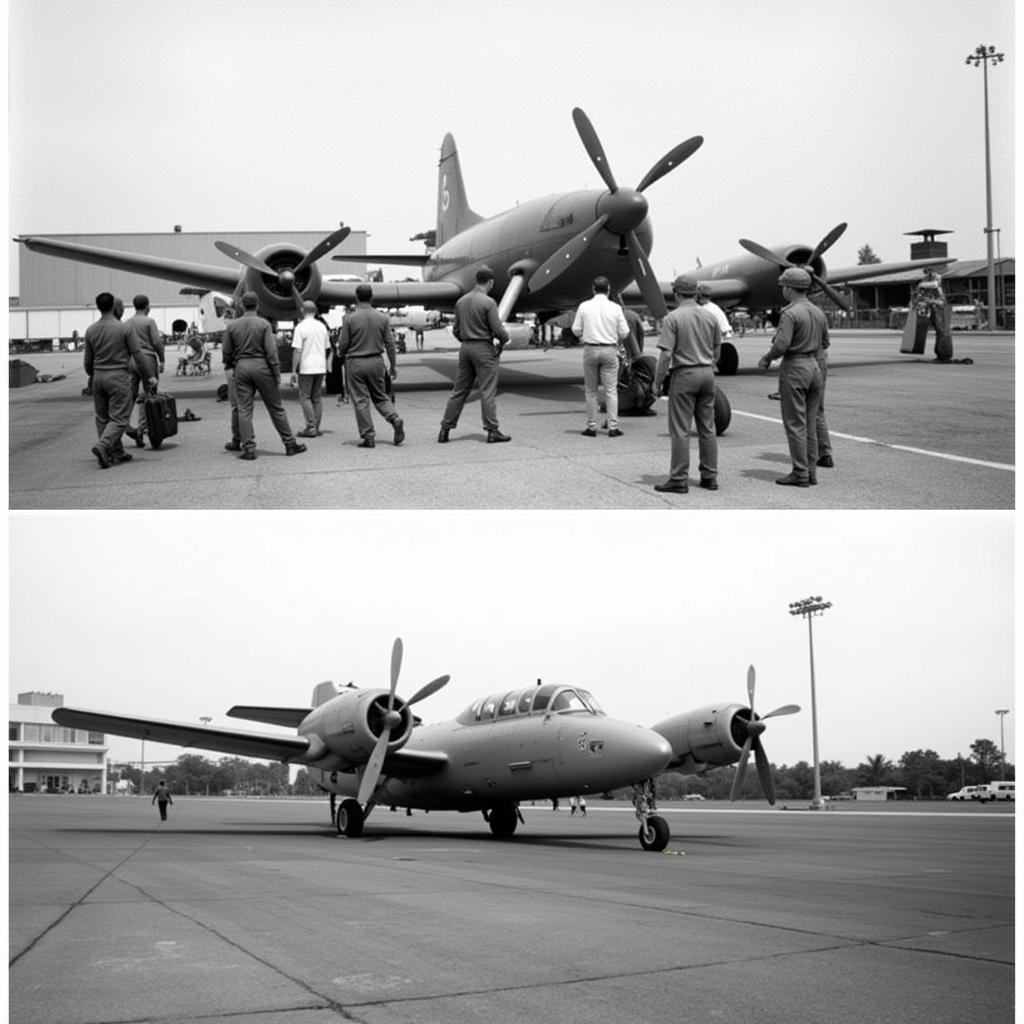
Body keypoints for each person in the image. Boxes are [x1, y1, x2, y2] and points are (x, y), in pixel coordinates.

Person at [651, 276, 722, 494]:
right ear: (696, 293)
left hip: (685, 374)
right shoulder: (710, 317)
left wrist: (658, 382)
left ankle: (679, 478)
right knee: (707, 427)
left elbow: (665, 355)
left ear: (676, 293)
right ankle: (710, 476)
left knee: (681, 429)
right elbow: (717, 351)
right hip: (707, 373)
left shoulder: (673, 318)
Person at [758, 267, 826, 486]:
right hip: (815, 367)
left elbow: (781, 344)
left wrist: (767, 358)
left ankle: (800, 473)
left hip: (796, 368)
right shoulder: (818, 312)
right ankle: (811, 471)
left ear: (789, 288)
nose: (783, 290)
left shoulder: (790, 313)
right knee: (811, 423)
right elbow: (825, 342)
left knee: (795, 424)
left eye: (783, 286)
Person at [221, 291, 306, 460]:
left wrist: (230, 366)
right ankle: (289, 443)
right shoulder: (264, 324)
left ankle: (248, 448)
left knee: (244, 409)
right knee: (276, 408)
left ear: (242, 305)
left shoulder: (232, 326)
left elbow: (226, 351)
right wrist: (276, 372)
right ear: (258, 305)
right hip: (262, 366)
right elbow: (271, 351)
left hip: (242, 367)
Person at [83, 292, 156, 468]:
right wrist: (149, 377)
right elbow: (138, 355)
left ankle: (115, 452)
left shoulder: (91, 330)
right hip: (117, 376)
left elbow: (87, 362)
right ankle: (102, 446)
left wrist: (92, 376)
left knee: (102, 418)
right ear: (116, 308)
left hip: (98, 377)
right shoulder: (124, 329)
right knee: (119, 419)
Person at [438, 266, 511, 443]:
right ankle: (492, 430)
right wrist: (504, 340)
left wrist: (465, 340)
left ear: (476, 280)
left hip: (466, 348)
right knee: (487, 391)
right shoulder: (488, 302)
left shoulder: (461, 301)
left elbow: (456, 329)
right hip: (483, 348)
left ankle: (445, 429)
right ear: (490, 282)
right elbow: (497, 329)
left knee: (459, 390)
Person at [335, 284, 404, 448]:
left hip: (356, 362)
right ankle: (394, 418)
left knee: (360, 400)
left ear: (356, 298)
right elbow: (390, 344)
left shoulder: (349, 319)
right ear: (371, 297)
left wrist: (340, 353)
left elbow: (343, 343)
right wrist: (393, 366)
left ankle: (368, 436)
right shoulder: (382, 318)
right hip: (376, 362)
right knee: (380, 396)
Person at [571, 277, 636, 437]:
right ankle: (613, 427)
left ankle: (591, 427)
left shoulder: (584, 306)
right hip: (609, 350)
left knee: (591, 391)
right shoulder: (615, 308)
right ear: (608, 289)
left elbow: (576, 330)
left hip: (591, 349)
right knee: (611, 390)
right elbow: (625, 332)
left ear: (593, 289)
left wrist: (587, 333)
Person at [124, 295, 166, 448]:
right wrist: (162, 359)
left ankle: (125, 424)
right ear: (147, 306)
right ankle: (142, 430)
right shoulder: (149, 322)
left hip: (132, 361)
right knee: (149, 396)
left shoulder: (127, 323)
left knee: (131, 395)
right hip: (147, 358)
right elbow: (156, 342)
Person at [290, 300, 330, 438]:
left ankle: (311, 426)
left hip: (307, 366)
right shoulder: (322, 327)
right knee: (316, 397)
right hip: (320, 366)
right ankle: (316, 426)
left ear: (302, 310)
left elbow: (297, 351)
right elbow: (327, 348)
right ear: (315, 311)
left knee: (305, 397)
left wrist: (293, 370)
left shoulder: (300, 327)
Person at [912, 268, 954, 361]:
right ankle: (942, 354)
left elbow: (933, 287)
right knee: (941, 331)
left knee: (942, 331)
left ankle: (944, 354)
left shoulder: (935, 281)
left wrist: (921, 288)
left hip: (940, 309)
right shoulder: (930, 284)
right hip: (937, 308)